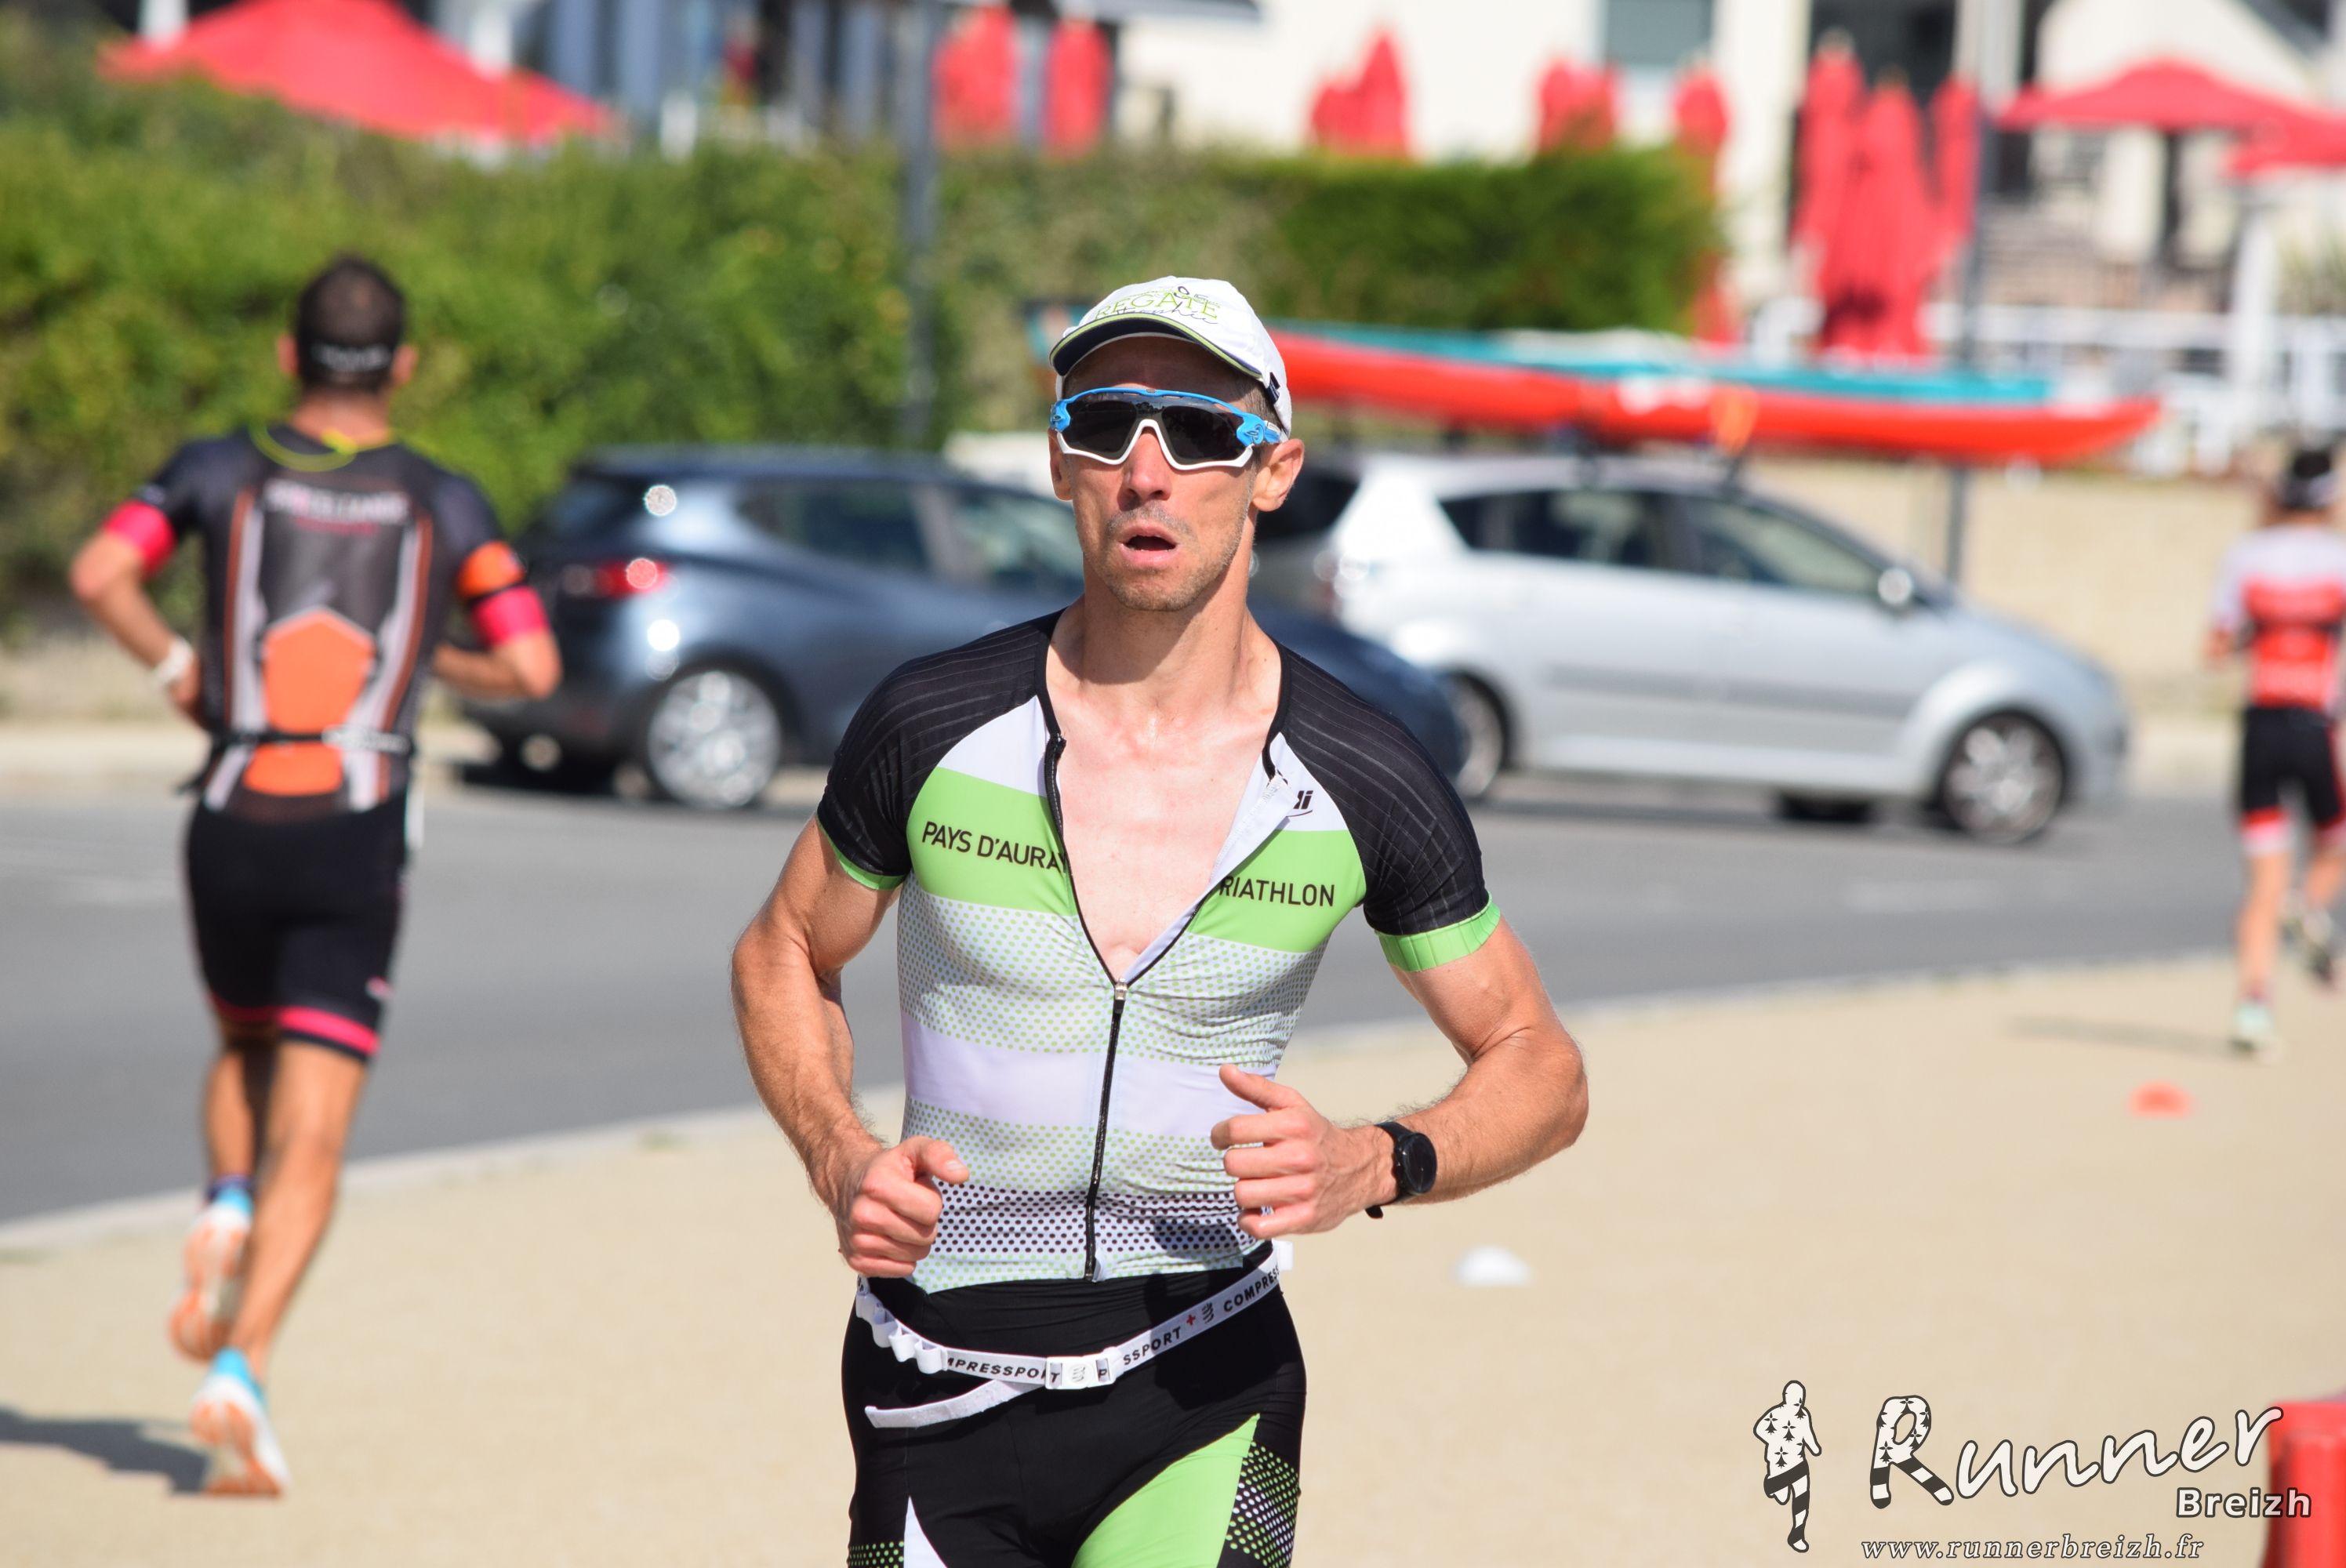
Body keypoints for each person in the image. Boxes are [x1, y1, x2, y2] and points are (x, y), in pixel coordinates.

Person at [732, 276, 1589, 1564]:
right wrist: (839, 1157)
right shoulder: (932, 724)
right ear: (1059, 464)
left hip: (1211, 1387)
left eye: (1196, 431)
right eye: (1105, 424)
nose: (1147, 472)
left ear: (1272, 470)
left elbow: (1542, 1066)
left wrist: (1375, 1163)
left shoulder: (1363, 774)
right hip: (933, 1384)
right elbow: (784, 950)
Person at [68, 255, 560, 1495]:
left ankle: (225, 1202)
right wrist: (426, 664)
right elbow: (533, 666)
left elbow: (99, 573)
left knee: (242, 1041)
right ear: (404, 366)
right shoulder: (445, 501)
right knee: (321, 1122)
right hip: (354, 820)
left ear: (289, 356)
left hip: (230, 810)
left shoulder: (213, 469)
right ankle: (244, 1366)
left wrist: (181, 672)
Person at [2206, 443, 2346, 1054]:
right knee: (2334, 844)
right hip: (2318, 728)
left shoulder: (2246, 555)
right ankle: (2306, 906)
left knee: (2261, 884)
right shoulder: (2339, 560)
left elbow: (2216, 648)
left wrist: (2262, 634)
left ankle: (2252, 1009)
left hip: (2259, 727)